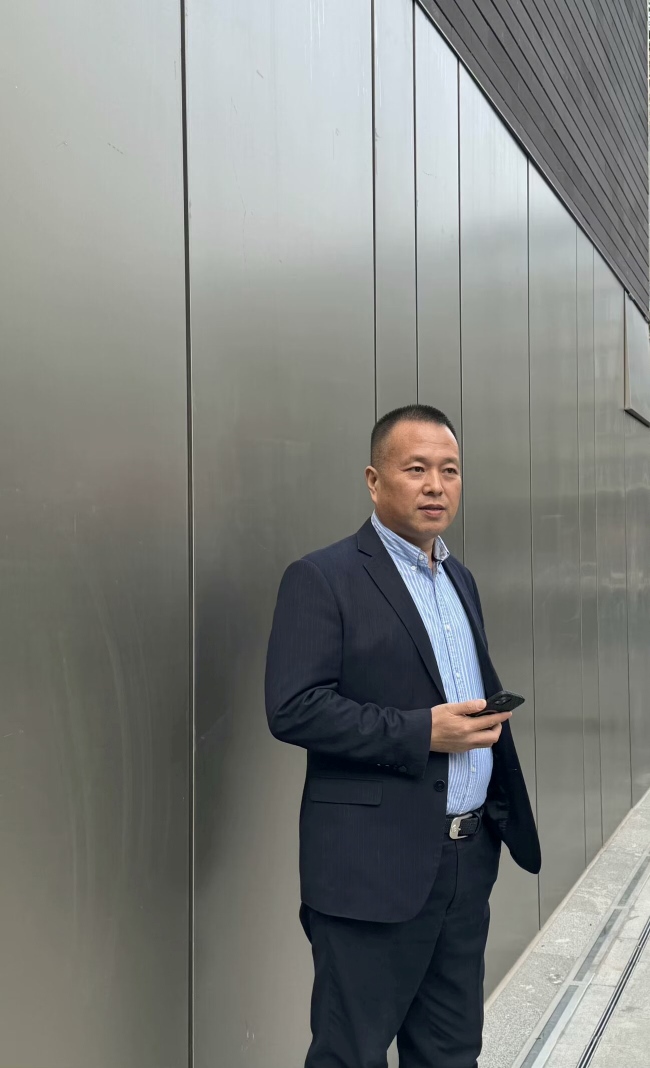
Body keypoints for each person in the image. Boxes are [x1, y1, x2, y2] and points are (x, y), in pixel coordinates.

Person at [265, 404, 541, 1068]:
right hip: (371, 870)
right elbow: (294, 708)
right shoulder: (322, 578)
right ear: (373, 480)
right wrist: (423, 732)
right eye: (416, 469)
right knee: (351, 1054)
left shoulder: (459, 579)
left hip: (465, 864)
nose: (435, 486)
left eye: (450, 470)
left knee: (451, 1053)